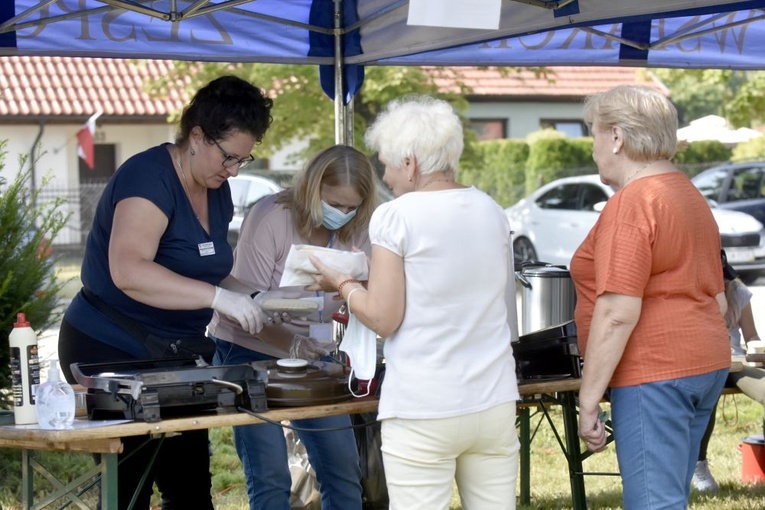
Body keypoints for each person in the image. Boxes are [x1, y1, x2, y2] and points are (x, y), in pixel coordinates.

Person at [58, 75, 277, 509]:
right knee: (129, 487)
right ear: (196, 136)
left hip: (176, 355)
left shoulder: (218, 189)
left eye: (243, 160)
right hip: (109, 347)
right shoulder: (148, 177)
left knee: (191, 489)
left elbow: (209, 271)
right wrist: (218, 299)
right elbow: (129, 271)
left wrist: (260, 298)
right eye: (228, 156)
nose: (233, 170)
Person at [308, 95, 521, 510]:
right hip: (494, 397)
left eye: (386, 163)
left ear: (410, 162)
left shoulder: (397, 215)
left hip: (424, 404)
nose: (385, 175)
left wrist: (344, 282)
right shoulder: (492, 210)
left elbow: (384, 318)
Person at [572, 85, 731, 509]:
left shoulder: (632, 202)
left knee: (654, 503)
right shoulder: (689, 193)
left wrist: (588, 400)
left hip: (656, 371)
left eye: (594, 135)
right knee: (669, 497)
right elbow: (719, 298)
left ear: (618, 137)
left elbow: (617, 312)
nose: (594, 149)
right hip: (703, 362)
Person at [207, 144, 378, 510]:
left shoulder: (360, 228)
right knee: (270, 475)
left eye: (351, 208)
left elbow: (366, 292)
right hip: (247, 349)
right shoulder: (271, 216)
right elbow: (245, 304)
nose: (342, 215)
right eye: (334, 204)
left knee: (343, 469)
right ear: (312, 189)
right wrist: (292, 342)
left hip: (315, 357)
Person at [692, 250, 765, 492]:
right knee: (707, 394)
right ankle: (698, 464)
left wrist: (757, 349)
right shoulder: (690, 292)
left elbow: (751, 335)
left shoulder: (738, 291)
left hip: (737, 360)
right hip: (703, 361)